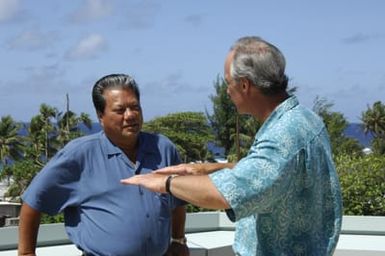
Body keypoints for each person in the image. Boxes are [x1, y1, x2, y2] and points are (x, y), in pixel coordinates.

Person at [121, 36, 343, 255]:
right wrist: (206, 170)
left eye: (228, 82)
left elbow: (225, 194)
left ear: (245, 84)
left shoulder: (282, 137)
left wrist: (165, 182)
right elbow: (267, 172)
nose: (227, 90)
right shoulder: (305, 119)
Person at [18, 74, 189, 256]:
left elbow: (178, 199)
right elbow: (34, 201)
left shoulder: (162, 148)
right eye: (120, 110)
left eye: (135, 107)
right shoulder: (80, 154)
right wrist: (26, 253)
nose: (130, 115)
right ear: (101, 117)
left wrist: (178, 239)